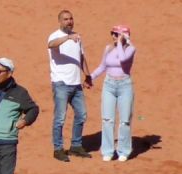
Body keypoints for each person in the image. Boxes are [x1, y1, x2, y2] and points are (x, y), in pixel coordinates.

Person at [48, 8, 92, 161]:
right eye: (66, 19)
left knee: (82, 115)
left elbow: (81, 57)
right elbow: (51, 45)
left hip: (76, 83)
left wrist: (87, 75)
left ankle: (76, 146)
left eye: (71, 19)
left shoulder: (77, 37)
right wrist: (67, 38)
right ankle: (58, 148)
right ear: (60, 21)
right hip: (61, 83)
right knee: (60, 118)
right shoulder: (56, 36)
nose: (69, 21)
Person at [89, 25, 137, 162]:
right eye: (113, 34)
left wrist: (123, 42)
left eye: (116, 34)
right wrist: (90, 77)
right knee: (107, 119)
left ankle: (124, 150)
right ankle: (108, 151)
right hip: (109, 85)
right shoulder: (108, 48)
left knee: (125, 120)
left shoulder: (131, 49)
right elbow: (102, 66)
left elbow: (122, 60)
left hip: (125, 86)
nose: (113, 37)